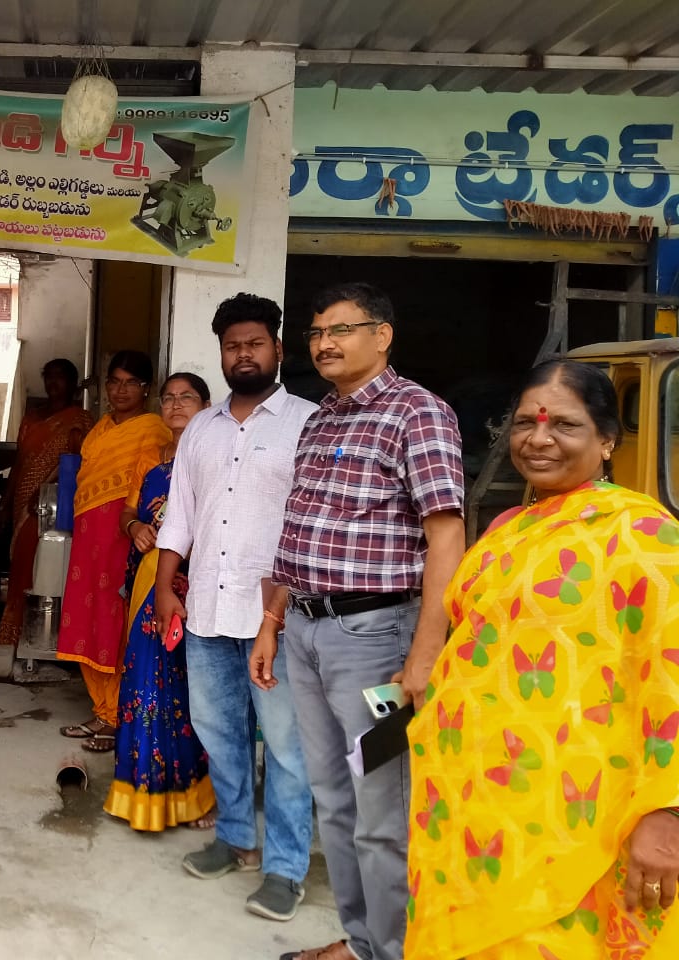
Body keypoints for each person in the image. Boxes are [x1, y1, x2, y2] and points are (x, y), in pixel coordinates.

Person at [405, 359, 679, 959]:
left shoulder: (644, 537)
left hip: (572, 816)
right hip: (473, 806)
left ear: (607, 441)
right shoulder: (509, 526)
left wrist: (668, 814)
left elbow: (672, 677)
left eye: (565, 425)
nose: (539, 438)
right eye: (527, 422)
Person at [258, 282, 466, 960]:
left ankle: (394, 950)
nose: (325, 343)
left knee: (382, 811)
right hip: (307, 634)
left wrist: (424, 654)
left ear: (383, 335)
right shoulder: (321, 418)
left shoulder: (418, 413)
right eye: (318, 332)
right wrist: (273, 622)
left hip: (374, 643)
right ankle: (362, 941)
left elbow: (446, 537)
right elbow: (301, 533)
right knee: (333, 797)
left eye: (342, 330)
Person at [154, 294, 317, 922]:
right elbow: (181, 513)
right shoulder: (202, 427)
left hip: (276, 617)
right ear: (221, 354)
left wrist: (279, 611)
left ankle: (285, 868)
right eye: (232, 346)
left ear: (278, 349)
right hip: (206, 610)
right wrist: (166, 585)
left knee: (285, 748)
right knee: (219, 735)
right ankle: (236, 839)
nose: (243, 354)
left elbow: (307, 529)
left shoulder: (307, 423)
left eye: (254, 343)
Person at [105, 371, 216, 831]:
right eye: (168, 397)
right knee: (145, 683)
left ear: (207, 405)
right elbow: (128, 512)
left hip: (195, 585)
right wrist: (134, 528)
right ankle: (141, 794)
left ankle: (196, 797)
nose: (175, 405)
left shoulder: (216, 458)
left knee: (193, 690)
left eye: (187, 397)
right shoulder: (152, 462)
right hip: (147, 583)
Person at [57, 349, 171, 753]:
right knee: (86, 618)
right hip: (88, 540)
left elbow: (151, 492)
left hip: (125, 541)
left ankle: (120, 717)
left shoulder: (154, 431)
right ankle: (102, 710)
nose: (121, 390)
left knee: (116, 622)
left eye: (131, 383)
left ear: (146, 389)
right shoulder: (99, 429)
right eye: (114, 382)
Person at [0, 358, 92, 647]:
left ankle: (42, 636)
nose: (53, 382)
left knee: (45, 565)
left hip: (55, 505)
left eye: (60, 377)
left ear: (73, 384)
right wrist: (4, 505)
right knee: (20, 563)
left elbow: (82, 465)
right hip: (22, 502)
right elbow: (19, 464)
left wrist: (50, 489)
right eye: (49, 376)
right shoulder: (32, 418)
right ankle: (13, 631)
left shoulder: (81, 420)